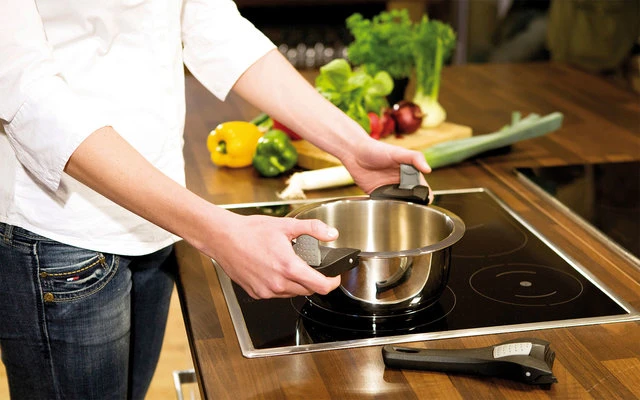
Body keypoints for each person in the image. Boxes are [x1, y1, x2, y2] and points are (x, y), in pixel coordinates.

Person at [0, 1, 432, 399]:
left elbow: (212, 24)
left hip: (158, 215)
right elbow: (26, 94)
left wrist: (352, 146)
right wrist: (217, 232)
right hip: (62, 234)